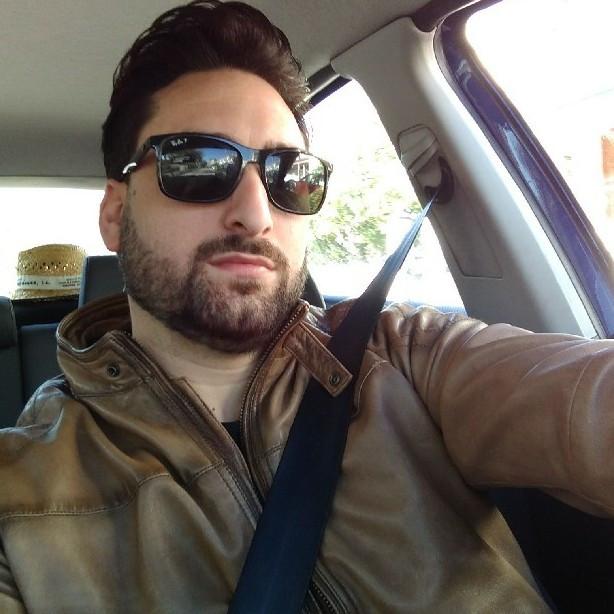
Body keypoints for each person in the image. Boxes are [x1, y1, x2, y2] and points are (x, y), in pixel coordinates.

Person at [0, 1, 613, 612]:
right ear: (115, 213)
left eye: (288, 175)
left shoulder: (405, 357)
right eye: (199, 164)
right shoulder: (19, 496)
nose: (256, 214)